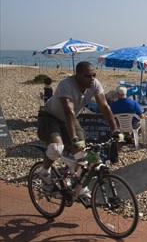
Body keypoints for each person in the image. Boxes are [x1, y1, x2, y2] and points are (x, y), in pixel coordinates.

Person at [36, 61, 119, 199]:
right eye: (88, 76)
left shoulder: (94, 84)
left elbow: (104, 107)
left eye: (94, 75)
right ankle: (44, 173)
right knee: (56, 148)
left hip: (71, 118)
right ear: (78, 75)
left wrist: (115, 130)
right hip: (51, 116)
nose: (92, 78)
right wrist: (74, 138)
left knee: (82, 157)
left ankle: (80, 187)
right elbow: (68, 111)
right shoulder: (66, 85)